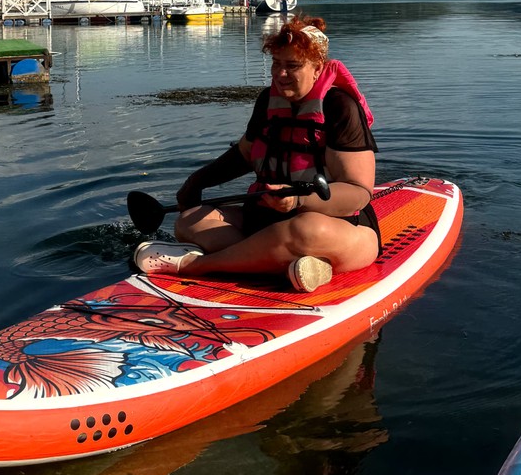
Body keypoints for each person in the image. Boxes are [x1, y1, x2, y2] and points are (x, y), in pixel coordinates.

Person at [133, 16, 380, 293]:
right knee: (190, 220)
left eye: (292, 66)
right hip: (265, 220)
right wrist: (196, 182)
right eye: (276, 63)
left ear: (317, 68)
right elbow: (245, 155)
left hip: (338, 227)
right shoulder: (267, 101)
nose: (280, 74)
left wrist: (298, 200)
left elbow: (359, 192)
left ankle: (197, 265)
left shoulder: (339, 107)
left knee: (305, 230)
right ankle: (291, 265)